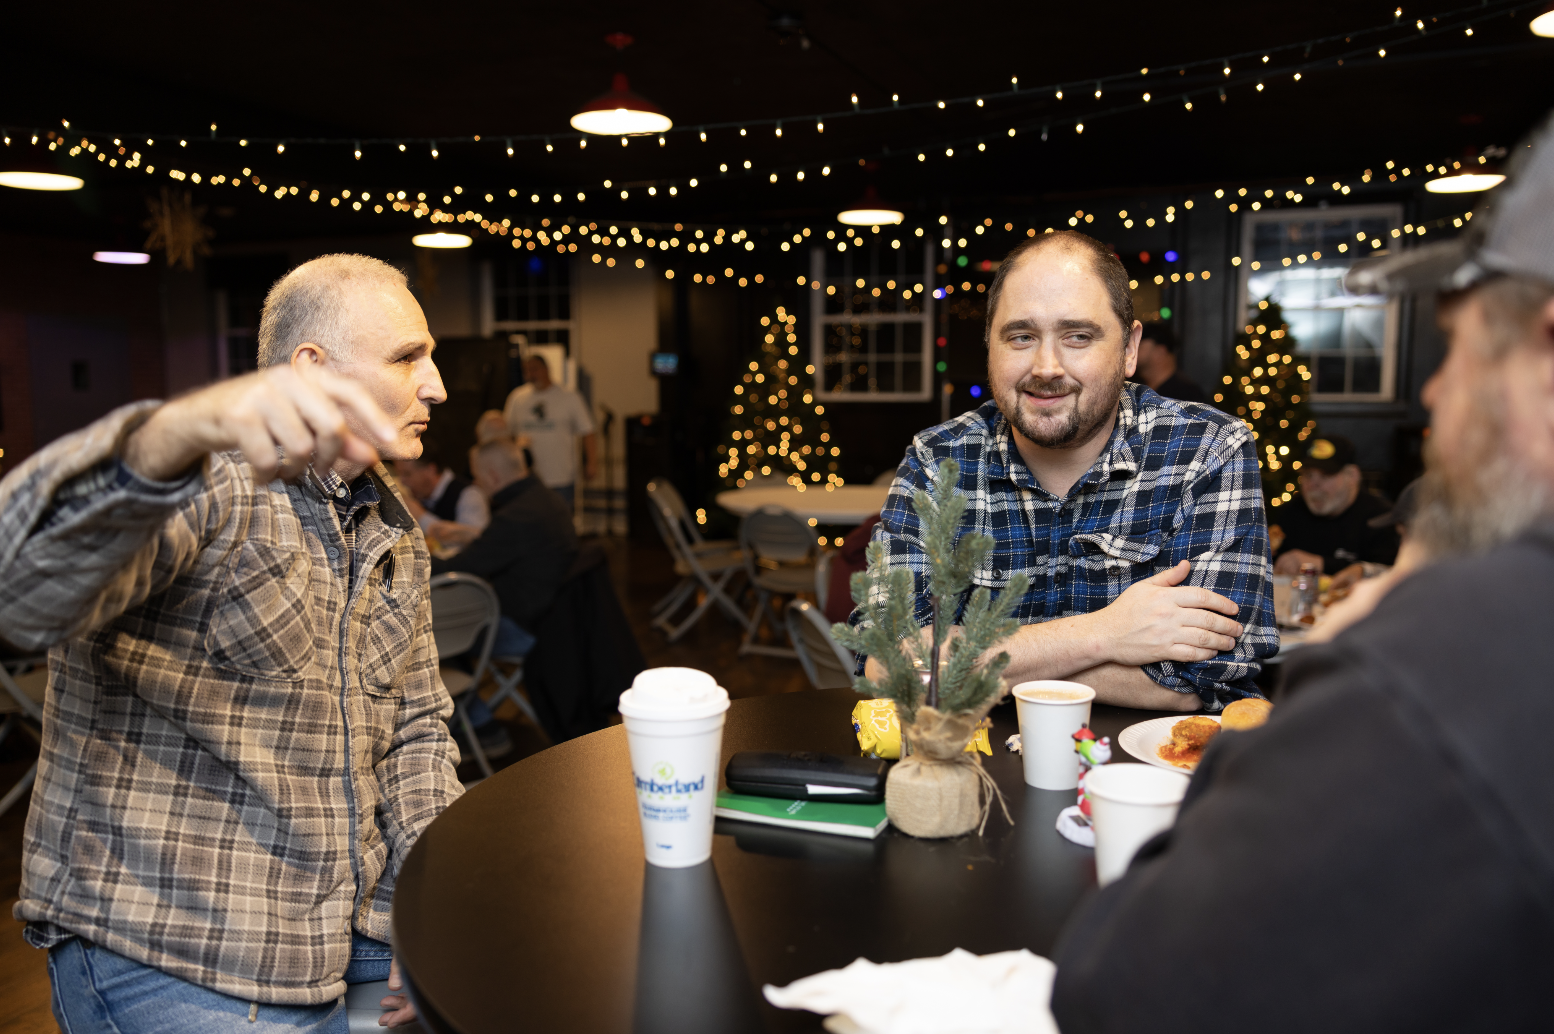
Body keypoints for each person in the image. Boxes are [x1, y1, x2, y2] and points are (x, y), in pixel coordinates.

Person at [1051, 112, 1554, 1032]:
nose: (1436, 394)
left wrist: (1378, 636)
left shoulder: (1456, 659)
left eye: (1460, 349)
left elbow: (1118, 984)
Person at [0, 254, 459, 1030]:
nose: (437, 383)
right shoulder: (205, 482)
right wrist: (168, 433)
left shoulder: (392, 529)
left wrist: (429, 925)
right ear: (311, 368)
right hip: (175, 947)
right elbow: (17, 595)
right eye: (408, 356)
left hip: (344, 935)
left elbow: (414, 737)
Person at [863, 230, 1276, 711]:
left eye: (1078, 336)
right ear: (990, 347)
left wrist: (966, 663)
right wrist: (1104, 634)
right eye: (1021, 337)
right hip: (970, 770)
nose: (1046, 366)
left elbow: (1212, 677)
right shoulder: (938, 459)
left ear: (1129, 349)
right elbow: (887, 662)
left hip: (1148, 777)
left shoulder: (1208, 448)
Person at [431, 437, 578, 663]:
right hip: (558, 620)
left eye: (477, 477)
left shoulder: (514, 517)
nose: (477, 484)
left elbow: (457, 569)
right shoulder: (548, 500)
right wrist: (475, 535)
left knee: (437, 634)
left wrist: (410, 557)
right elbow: (517, 546)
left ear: (493, 476)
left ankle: (465, 699)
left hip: (526, 630)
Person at [1270, 433, 1400, 579]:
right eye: (1308, 475)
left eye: (1325, 476)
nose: (1313, 485)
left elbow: (1392, 573)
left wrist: (1321, 564)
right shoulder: (1291, 513)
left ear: (1352, 476)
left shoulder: (1382, 518)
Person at [502, 354, 598, 508]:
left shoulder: (569, 397)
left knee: (560, 521)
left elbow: (587, 431)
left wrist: (591, 463)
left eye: (534, 369)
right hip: (528, 477)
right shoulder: (517, 398)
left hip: (560, 476)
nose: (530, 374)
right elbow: (507, 433)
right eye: (526, 371)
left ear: (546, 369)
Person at [392, 436, 489, 548]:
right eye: (399, 474)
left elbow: (476, 546)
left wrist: (420, 516)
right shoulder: (416, 495)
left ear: (430, 470)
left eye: (407, 474)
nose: (402, 482)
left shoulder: (470, 495)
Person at [1130, 321, 1210, 403]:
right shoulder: (1133, 390)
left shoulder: (1186, 396)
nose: (1130, 351)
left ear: (1160, 352)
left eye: (1139, 346)